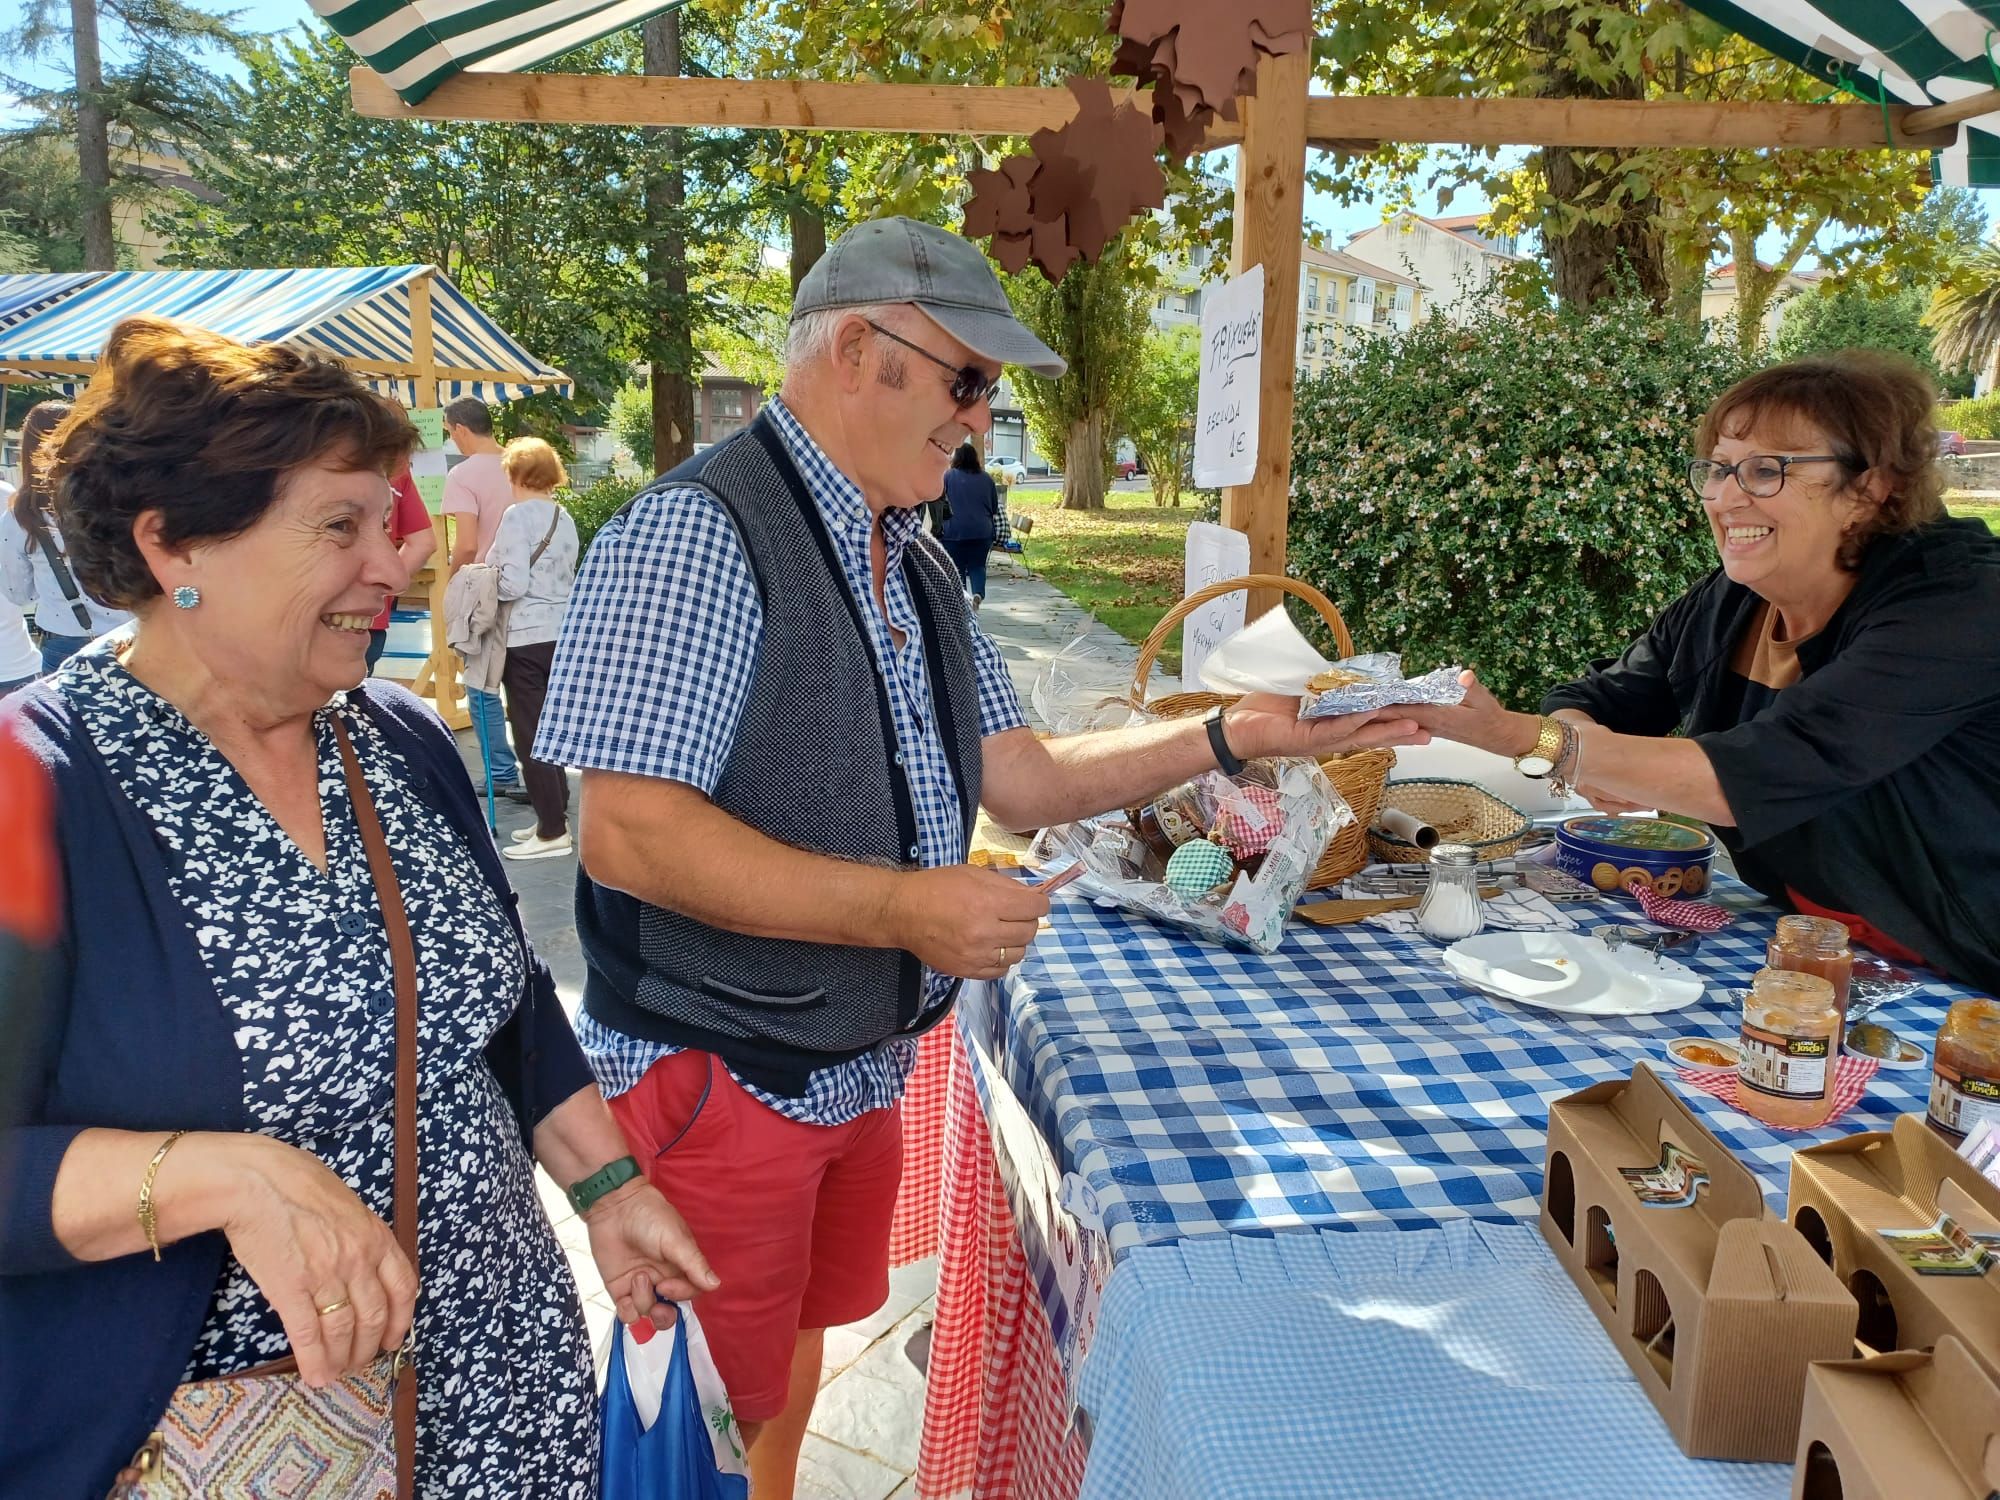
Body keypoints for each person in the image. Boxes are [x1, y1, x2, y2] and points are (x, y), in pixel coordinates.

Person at [534, 215, 1422, 1499]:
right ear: (857, 350)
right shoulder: (693, 533)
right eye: (966, 379)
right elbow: (627, 835)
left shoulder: (912, 556)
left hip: (840, 1058)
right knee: (706, 1422)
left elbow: (1019, 774)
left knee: (776, 1378)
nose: (979, 412)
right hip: (716, 1065)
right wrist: (906, 908)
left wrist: (1232, 734)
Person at [0, 316, 716, 1498]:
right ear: (172, 543)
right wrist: (221, 1176)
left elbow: (505, 1005)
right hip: (232, 1439)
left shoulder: (397, 738)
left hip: (503, 1390)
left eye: (385, 523)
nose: (394, 564)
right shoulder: (40, 786)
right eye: (339, 525)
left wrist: (610, 1189)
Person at [1404, 350, 2000, 993]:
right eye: (1717, 469)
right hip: (1810, 937)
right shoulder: (1736, 597)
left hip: (1959, 965)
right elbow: (1602, 696)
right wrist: (1582, 749)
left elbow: (1762, 772)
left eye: (1766, 471)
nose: (1725, 497)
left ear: (1870, 487)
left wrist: (1535, 742)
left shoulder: (1960, 601)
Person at [491, 437, 581, 861]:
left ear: (516, 474)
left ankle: (551, 831)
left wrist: (486, 576)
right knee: (553, 727)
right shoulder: (564, 516)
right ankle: (553, 814)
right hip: (561, 632)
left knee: (530, 733)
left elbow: (513, 583)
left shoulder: (516, 516)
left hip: (524, 634)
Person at [1, 400, 131, 671]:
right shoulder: (117, 499)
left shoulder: (20, 515)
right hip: (129, 635)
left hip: (65, 640)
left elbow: (19, 594)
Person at [440, 396, 524, 800]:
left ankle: (501, 772)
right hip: (527, 592)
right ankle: (543, 777)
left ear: (459, 428)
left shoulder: (463, 475)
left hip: (485, 591)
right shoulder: (521, 465)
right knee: (524, 691)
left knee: (482, 686)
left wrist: (454, 584)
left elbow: (468, 544)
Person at [364, 466, 437, 674]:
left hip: (308, 615)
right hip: (369, 617)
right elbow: (424, 543)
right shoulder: (394, 464)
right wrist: (381, 588)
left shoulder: (308, 453)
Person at [938, 441, 1001, 607]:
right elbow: (994, 508)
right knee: (978, 565)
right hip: (982, 532)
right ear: (975, 458)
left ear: (956, 458)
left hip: (954, 531)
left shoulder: (948, 476)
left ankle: (963, 601)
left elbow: (938, 502)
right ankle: (978, 594)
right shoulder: (987, 479)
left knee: (956, 568)